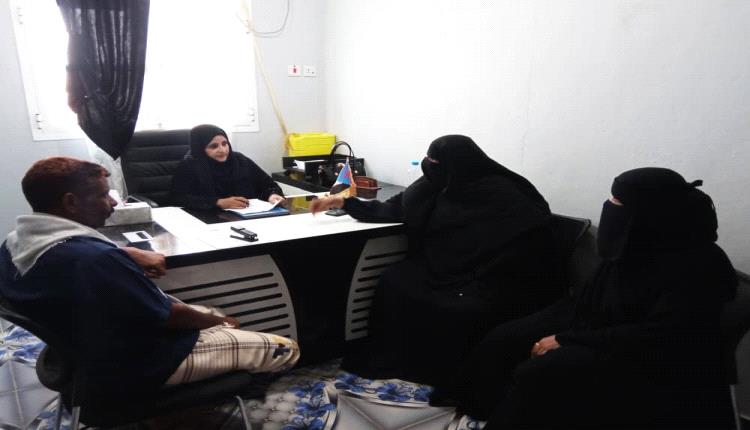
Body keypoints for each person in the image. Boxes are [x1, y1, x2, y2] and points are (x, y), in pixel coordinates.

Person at [431, 167, 737, 429]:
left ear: (653, 211)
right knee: (505, 338)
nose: (611, 207)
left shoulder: (701, 265)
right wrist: (559, 328)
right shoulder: (638, 241)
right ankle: (478, 409)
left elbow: (662, 336)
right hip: (601, 324)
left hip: (650, 355)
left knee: (541, 372)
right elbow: (592, 298)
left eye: (619, 203)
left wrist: (566, 339)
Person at [0, 157, 299, 405]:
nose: (112, 204)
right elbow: (171, 316)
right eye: (103, 195)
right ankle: (201, 404)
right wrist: (221, 323)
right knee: (283, 348)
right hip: (138, 364)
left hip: (80, 356)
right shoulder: (94, 261)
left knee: (210, 314)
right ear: (71, 202)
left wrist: (124, 252)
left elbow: (73, 257)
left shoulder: (15, 244)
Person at [310, 135, 564, 386]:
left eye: (434, 161)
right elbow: (395, 208)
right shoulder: (436, 183)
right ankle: (397, 354)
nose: (428, 165)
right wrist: (344, 202)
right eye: (429, 159)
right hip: (444, 268)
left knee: (456, 307)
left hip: (490, 275)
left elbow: (529, 246)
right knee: (395, 279)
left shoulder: (504, 194)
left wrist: (479, 272)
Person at [171, 124, 285, 210]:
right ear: (200, 148)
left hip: (249, 214)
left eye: (225, 143)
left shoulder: (239, 160)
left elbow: (267, 184)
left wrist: (272, 195)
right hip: (210, 219)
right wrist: (218, 202)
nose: (222, 149)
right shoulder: (189, 165)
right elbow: (178, 198)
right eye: (214, 146)